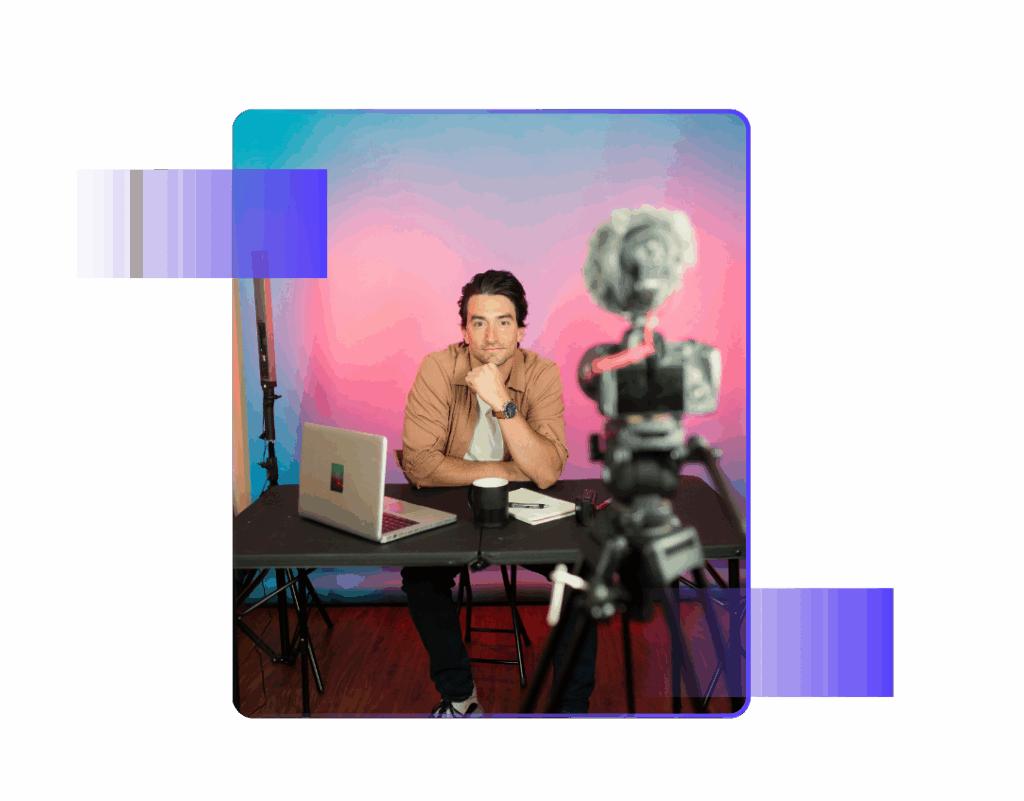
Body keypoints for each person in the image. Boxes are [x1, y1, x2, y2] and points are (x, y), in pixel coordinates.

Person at [399, 270, 599, 717]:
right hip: (453, 507)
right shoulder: (437, 368)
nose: (492, 335)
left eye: (504, 321)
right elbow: (420, 465)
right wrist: (512, 469)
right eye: (479, 322)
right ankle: (460, 698)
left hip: (525, 510)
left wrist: (500, 401)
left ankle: (571, 710)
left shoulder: (541, 374)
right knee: (420, 577)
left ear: (521, 328)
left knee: (582, 581)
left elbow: (546, 472)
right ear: (464, 328)